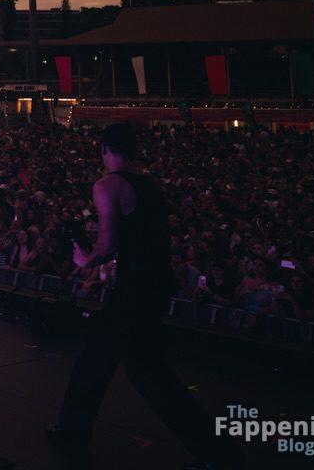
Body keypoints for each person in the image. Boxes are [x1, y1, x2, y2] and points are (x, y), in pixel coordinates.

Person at [47, 125, 237, 468]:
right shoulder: (150, 185)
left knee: (101, 364)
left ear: (104, 149)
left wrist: (85, 260)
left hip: (133, 289)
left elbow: (108, 245)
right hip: (154, 286)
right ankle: (214, 451)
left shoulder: (108, 185)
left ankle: (72, 435)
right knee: (147, 371)